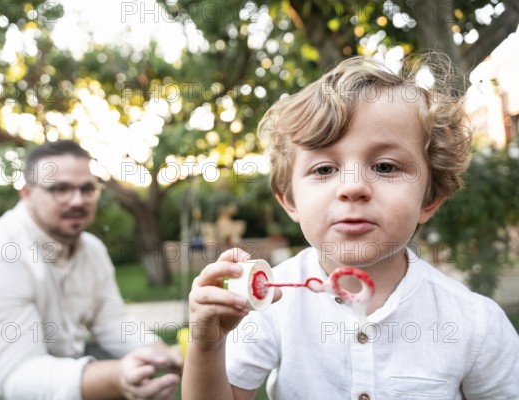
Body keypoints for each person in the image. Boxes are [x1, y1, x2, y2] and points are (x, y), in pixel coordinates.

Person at [183, 54, 519, 399]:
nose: (353, 187)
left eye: (386, 167)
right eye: (325, 170)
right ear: (290, 201)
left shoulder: (475, 324)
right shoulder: (272, 302)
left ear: (429, 199)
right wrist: (207, 346)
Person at [0, 140, 182, 399]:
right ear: (26, 193)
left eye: (87, 189)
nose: (78, 200)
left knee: (132, 366)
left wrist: (162, 353)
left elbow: (112, 321)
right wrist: (116, 378)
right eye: (60, 189)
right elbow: (15, 377)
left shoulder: (92, 250)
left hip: (46, 364)